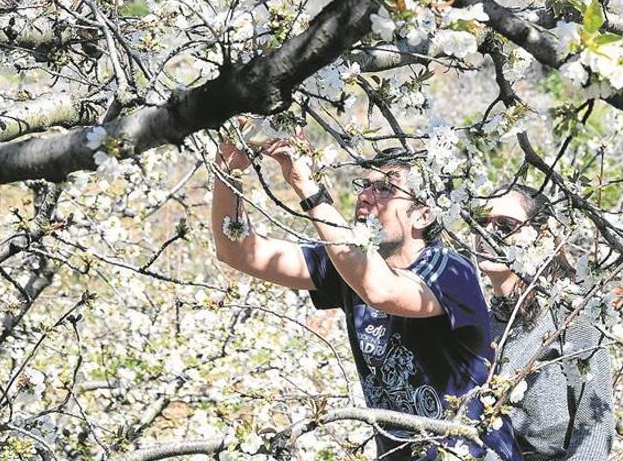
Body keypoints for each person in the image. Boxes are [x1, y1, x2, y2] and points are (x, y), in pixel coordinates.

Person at [211, 129, 520, 461]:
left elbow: (380, 290)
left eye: (385, 188)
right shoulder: (347, 266)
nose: (367, 196)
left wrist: (309, 189)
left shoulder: (450, 271)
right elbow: (240, 251)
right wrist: (228, 168)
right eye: (366, 185)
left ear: (423, 214)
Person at [473, 184, 615, 461]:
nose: (487, 235)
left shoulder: (570, 313)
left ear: (541, 236)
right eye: (481, 222)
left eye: (504, 225)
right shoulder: (485, 322)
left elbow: (596, 429)